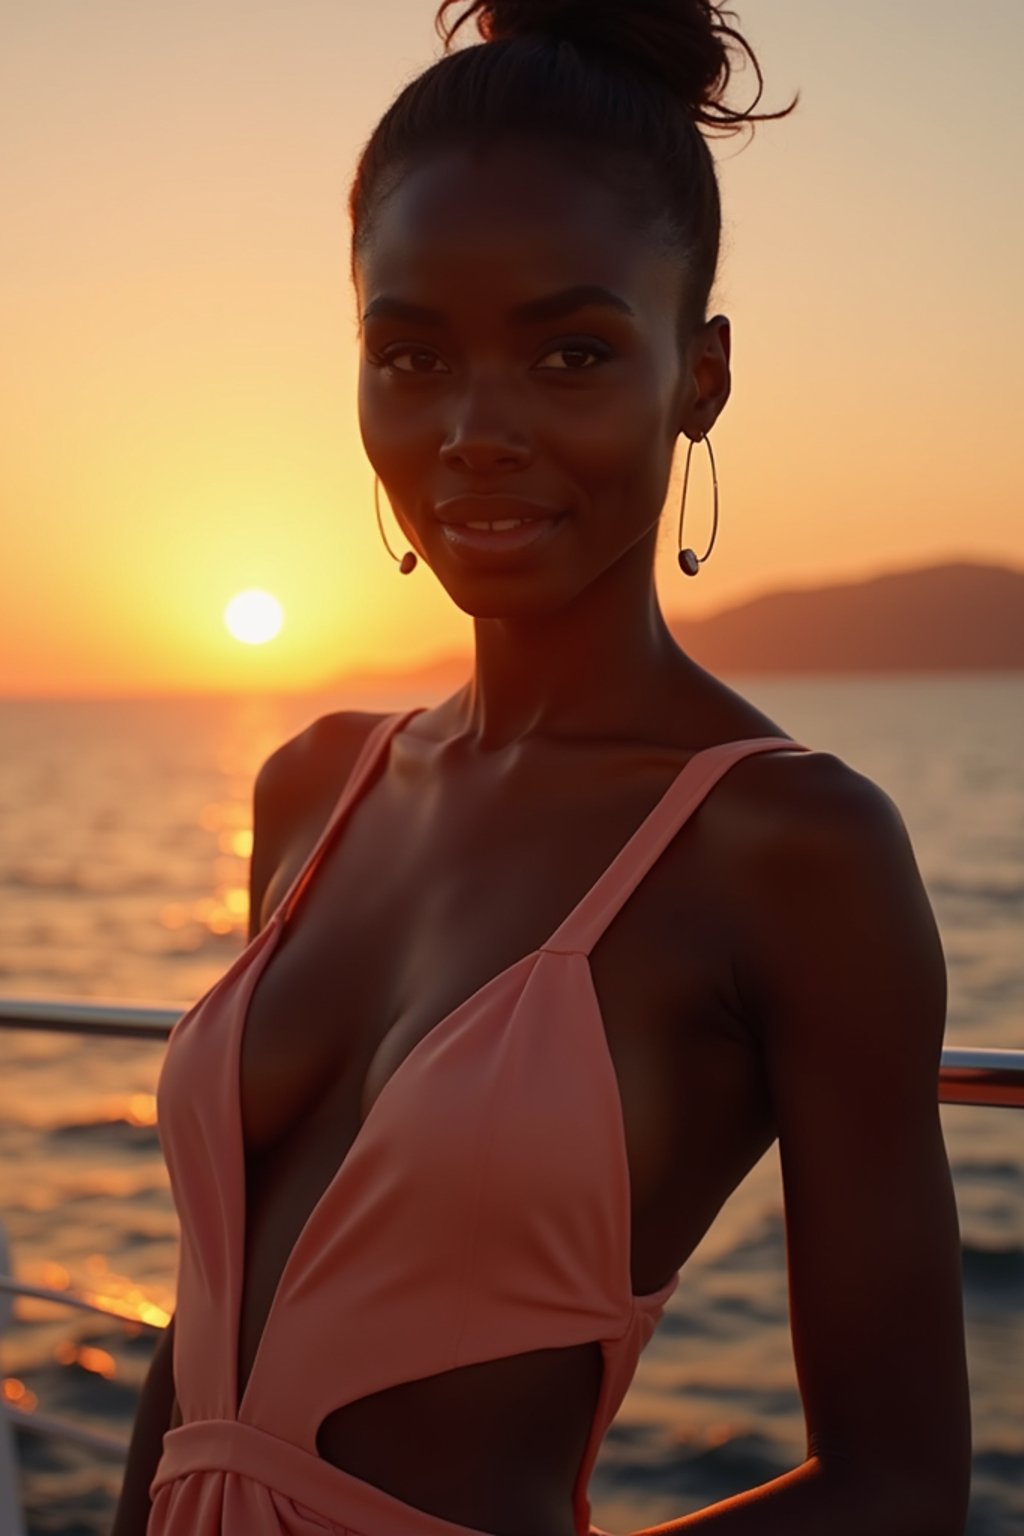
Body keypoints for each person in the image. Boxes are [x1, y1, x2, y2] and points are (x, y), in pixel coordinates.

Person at [112, 3, 972, 1533]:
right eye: (412, 352)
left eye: (572, 352)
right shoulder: (315, 788)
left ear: (698, 377)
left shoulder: (784, 846)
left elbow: (901, 1483)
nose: (475, 430)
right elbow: (196, 1348)